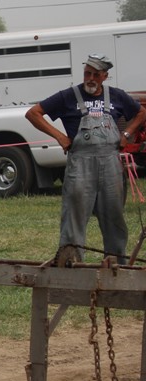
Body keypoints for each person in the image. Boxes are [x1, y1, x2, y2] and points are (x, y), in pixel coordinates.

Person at [26, 53, 146, 264]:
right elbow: (33, 113)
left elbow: (141, 113)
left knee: (114, 218)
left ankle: (118, 268)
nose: (90, 78)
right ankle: (71, 266)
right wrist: (60, 136)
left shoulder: (116, 96)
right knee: (74, 219)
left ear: (104, 76)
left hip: (110, 164)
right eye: (87, 73)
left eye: (95, 75)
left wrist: (126, 135)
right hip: (80, 165)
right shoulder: (67, 97)